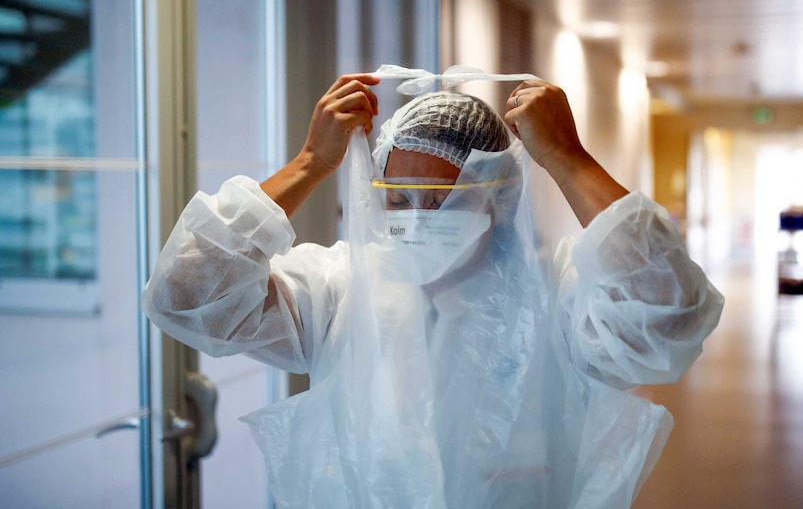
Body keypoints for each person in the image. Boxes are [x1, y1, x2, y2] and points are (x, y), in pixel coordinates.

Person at [142, 72, 723, 509]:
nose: (416, 216)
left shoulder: (560, 296)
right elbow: (187, 296)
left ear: (498, 198)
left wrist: (567, 159)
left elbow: (670, 314)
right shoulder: (341, 289)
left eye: (442, 197)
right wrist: (310, 164)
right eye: (398, 198)